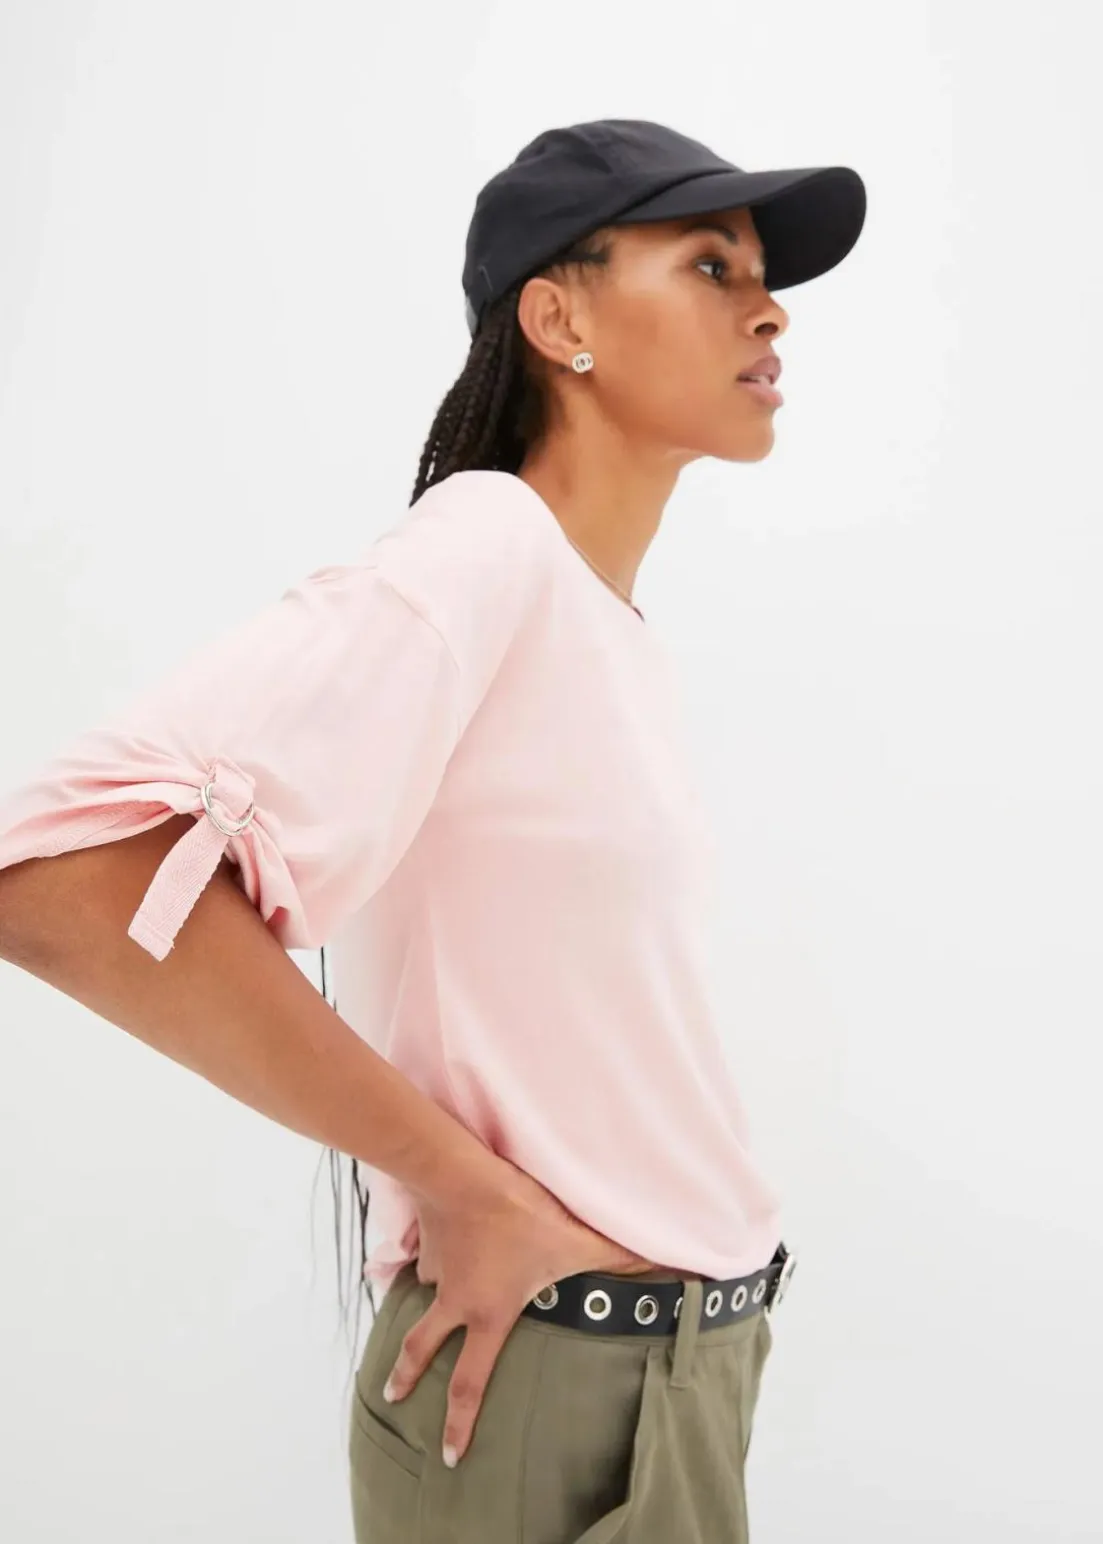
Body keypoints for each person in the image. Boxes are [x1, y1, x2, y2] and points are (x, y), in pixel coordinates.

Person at [0, 118, 865, 1542]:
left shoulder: (603, 626)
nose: (768, 311)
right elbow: (59, 877)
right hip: (551, 1377)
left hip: (682, 1371)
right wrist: (465, 1187)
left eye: (763, 277)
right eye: (712, 265)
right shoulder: (487, 545)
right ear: (559, 319)